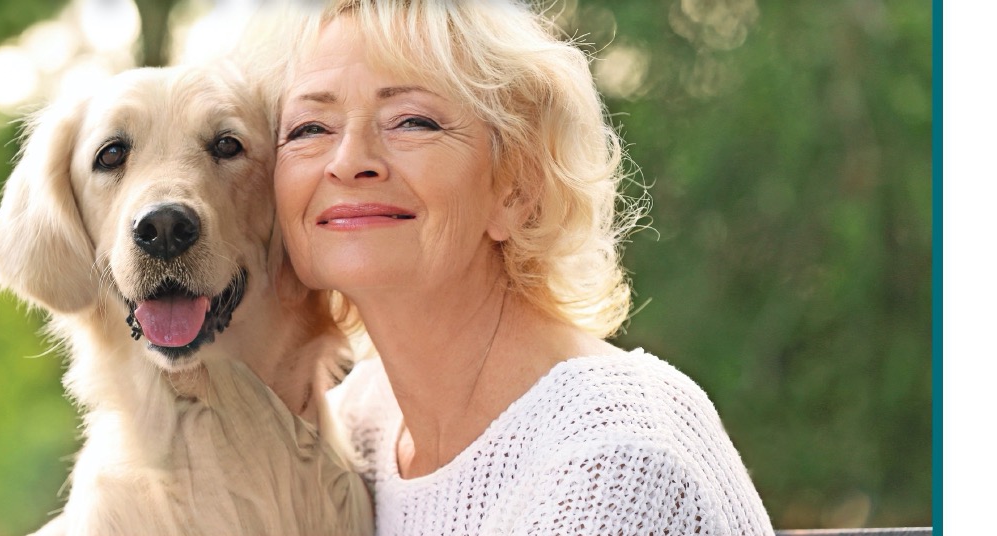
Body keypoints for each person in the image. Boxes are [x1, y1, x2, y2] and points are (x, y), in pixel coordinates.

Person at [260, 0, 777, 533]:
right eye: (309, 129)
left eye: (412, 121)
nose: (348, 161)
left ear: (517, 187)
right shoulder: (357, 426)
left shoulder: (615, 457)